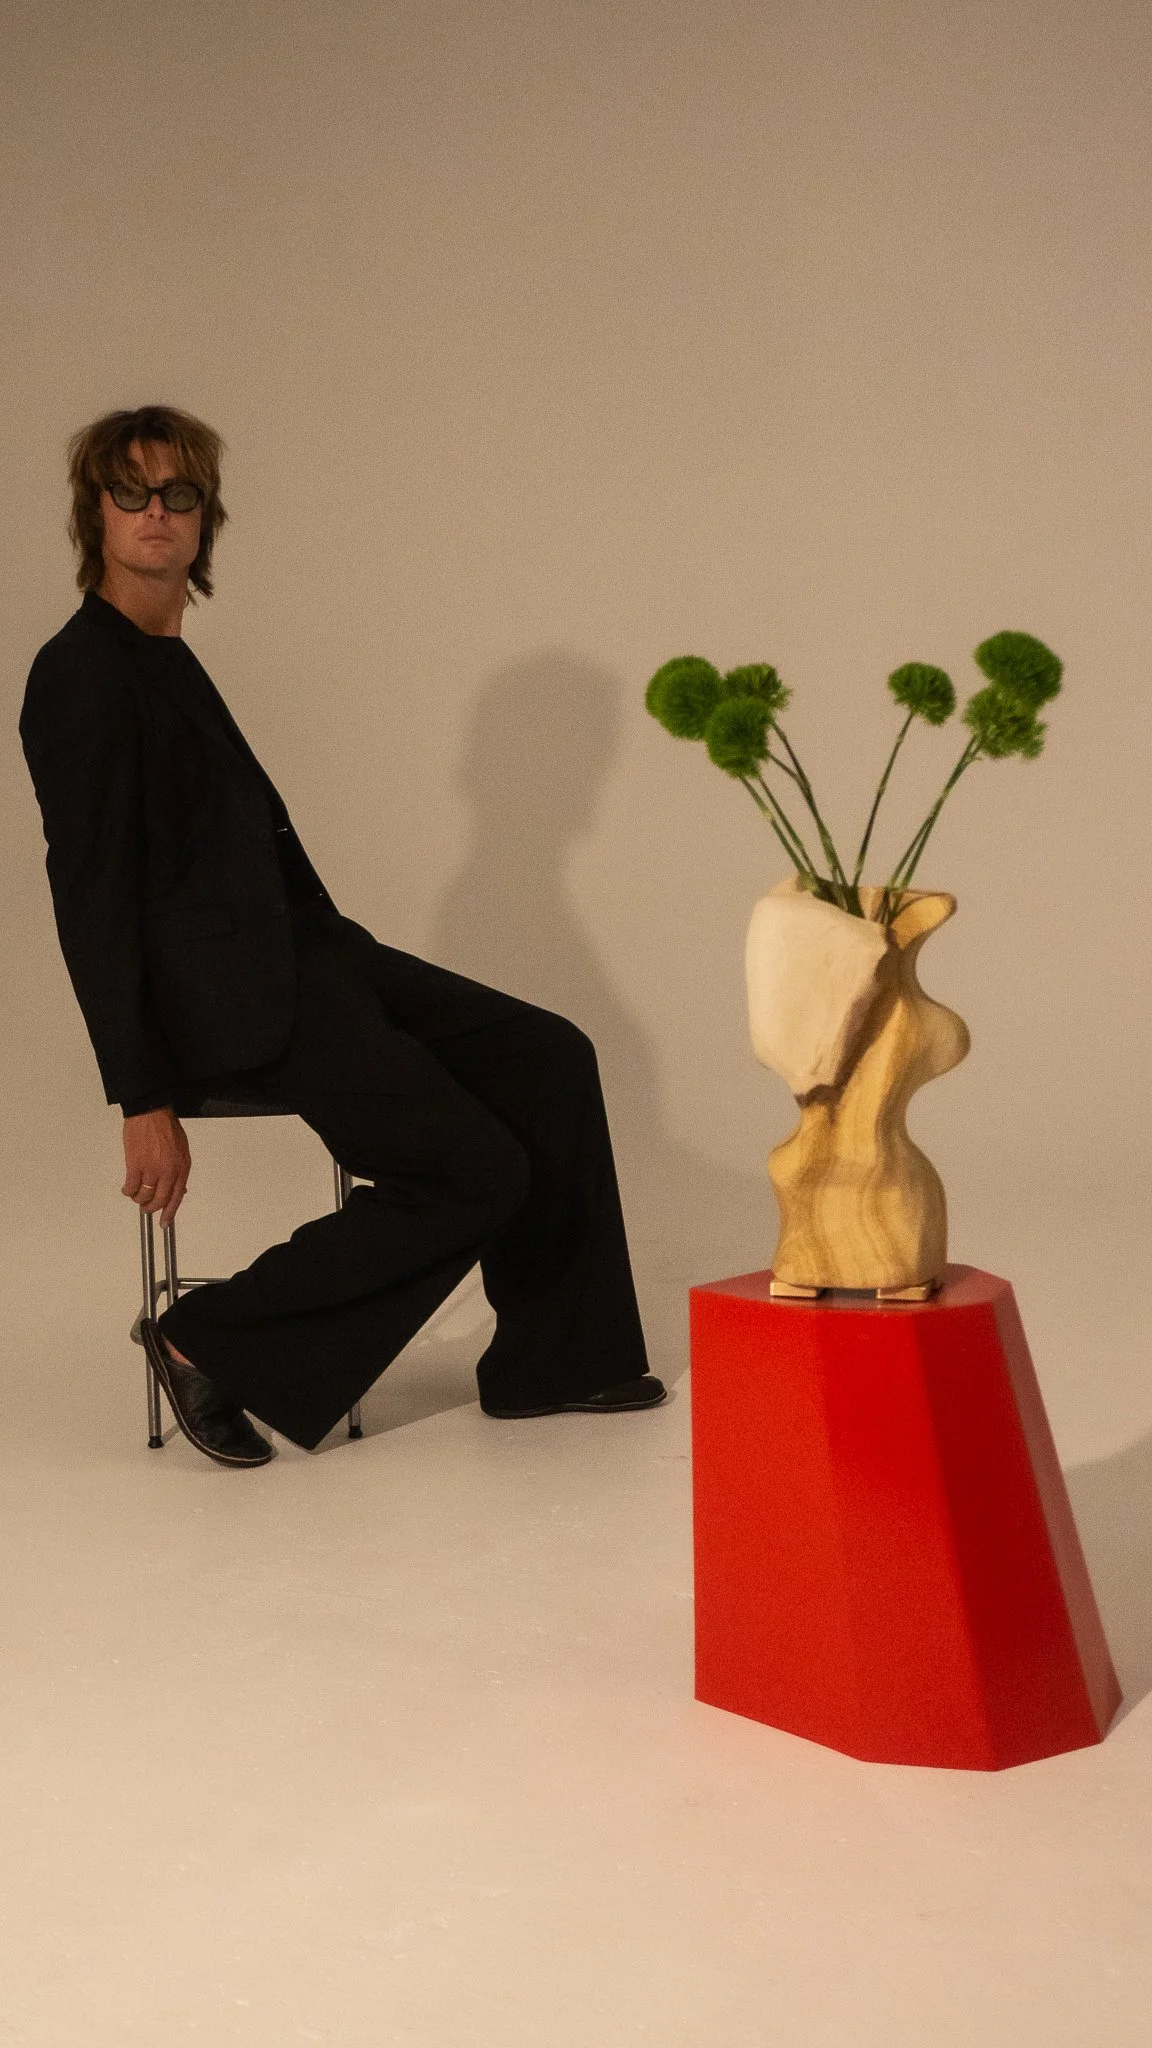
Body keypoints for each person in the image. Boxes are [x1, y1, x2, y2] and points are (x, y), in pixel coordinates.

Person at [19, 404, 663, 1468]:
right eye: (130, 491)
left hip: (312, 959)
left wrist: (331, 957)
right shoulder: (80, 672)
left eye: (178, 492)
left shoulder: (165, 658)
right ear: (96, 511)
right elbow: (89, 898)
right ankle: (203, 1339)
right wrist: (141, 1095)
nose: (156, 511)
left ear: (204, 516)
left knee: (549, 1056)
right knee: (472, 1170)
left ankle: (557, 1359)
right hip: (231, 1004)